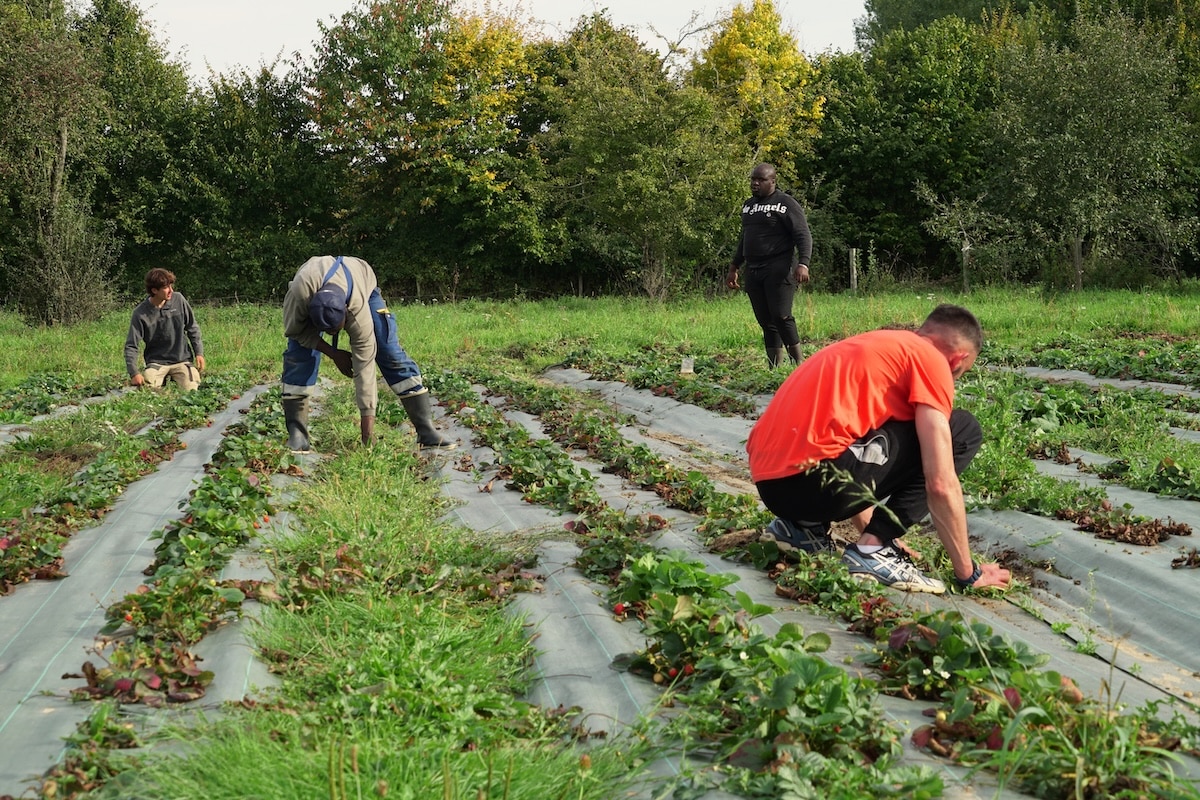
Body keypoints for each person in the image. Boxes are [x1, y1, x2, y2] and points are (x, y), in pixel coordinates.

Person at [747, 304, 1011, 594]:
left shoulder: (878, 346)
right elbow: (940, 481)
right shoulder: (932, 360)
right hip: (813, 482)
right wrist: (968, 573)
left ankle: (803, 528)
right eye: (960, 373)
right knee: (962, 428)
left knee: (888, 429)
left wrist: (874, 527)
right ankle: (872, 553)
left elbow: (854, 445)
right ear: (958, 359)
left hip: (773, 487)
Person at [280, 255, 454, 451]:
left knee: (388, 350)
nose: (331, 335)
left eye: (335, 330)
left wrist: (367, 437)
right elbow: (295, 330)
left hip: (362, 282)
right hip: (311, 283)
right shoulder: (299, 293)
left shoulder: (356, 309)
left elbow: (365, 368)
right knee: (299, 353)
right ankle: (297, 435)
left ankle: (426, 431)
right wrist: (334, 353)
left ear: (346, 313)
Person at [726, 162, 812, 369]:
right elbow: (745, 238)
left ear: (772, 181)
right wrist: (734, 266)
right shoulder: (749, 205)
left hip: (779, 266)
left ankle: (799, 365)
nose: (755, 183)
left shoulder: (786, 203)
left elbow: (803, 234)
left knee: (781, 315)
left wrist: (803, 263)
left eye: (761, 180)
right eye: (753, 179)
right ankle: (774, 367)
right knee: (766, 320)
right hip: (754, 269)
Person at [124, 268, 206, 390]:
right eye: (166, 287)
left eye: (171, 286)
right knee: (148, 390)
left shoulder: (179, 300)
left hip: (182, 360)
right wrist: (134, 373)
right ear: (154, 290)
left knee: (193, 389)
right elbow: (131, 345)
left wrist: (199, 353)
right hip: (156, 363)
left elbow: (192, 327)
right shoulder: (140, 313)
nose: (171, 291)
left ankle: (177, 379)